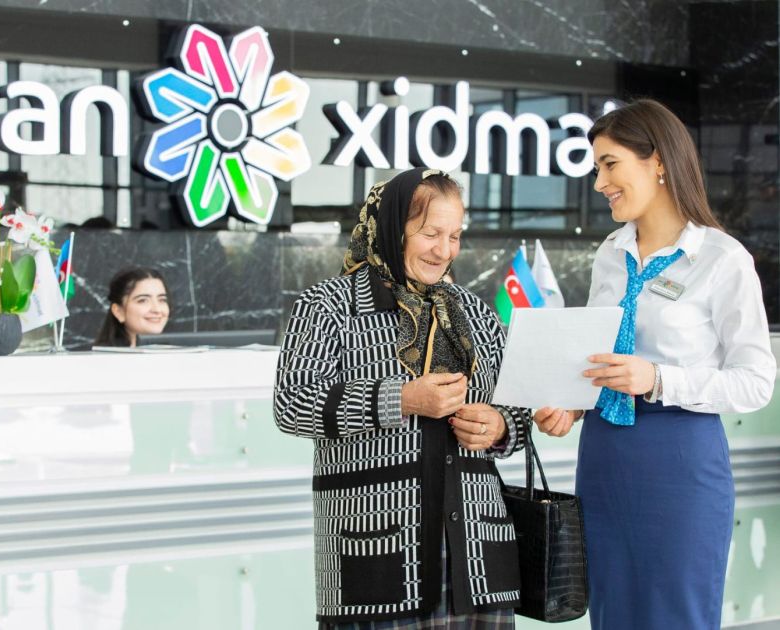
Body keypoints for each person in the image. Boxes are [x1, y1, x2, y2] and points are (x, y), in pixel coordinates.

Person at [533, 99, 776, 630]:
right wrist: (572, 407)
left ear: (658, 161)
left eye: (610, 164)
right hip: (604, 460)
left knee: (677, 615)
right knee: (612, 614)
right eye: (596, 168)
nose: (599, 183)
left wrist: (658, 379)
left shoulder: (722, 259)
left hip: (680, 463)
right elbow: (595, 357)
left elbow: (756, 383)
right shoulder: (610, 252)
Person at [274, 168, 530, 628]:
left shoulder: (474, 312)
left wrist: (499, 426)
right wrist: (402, 399)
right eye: (430, 233)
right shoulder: (327, 307)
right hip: (376, 567)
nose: (444, 250)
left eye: (454, 236)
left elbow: (519, 409)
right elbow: (291, 404)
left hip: (477, 566)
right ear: (393, 230)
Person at [93, 267, 171, 347]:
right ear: (118, 311)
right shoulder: (98, 355)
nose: (157, 309)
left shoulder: (175, 352)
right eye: (143, 300)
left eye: (162, 300)